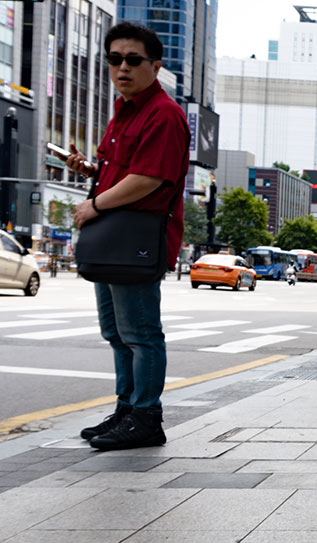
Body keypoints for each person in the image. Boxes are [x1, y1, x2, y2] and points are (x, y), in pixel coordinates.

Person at [68, 21, 190, 451]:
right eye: (115, 59)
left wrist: (94, 204)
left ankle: (146, 416)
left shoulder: (164, 114)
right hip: (114, 235)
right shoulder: (125, 109)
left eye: (133, 60)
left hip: (136, 237)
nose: (122, 67)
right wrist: (90, 172)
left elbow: (150, 179)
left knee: (140, 332)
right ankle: (127, 408)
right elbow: (123, 170)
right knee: (116, 332)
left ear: (155, 66)